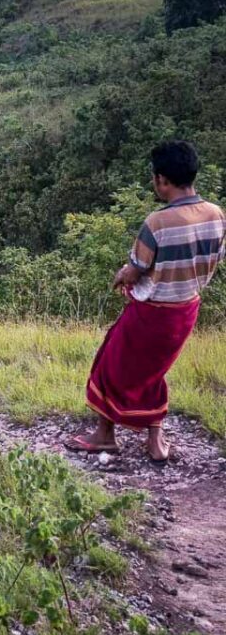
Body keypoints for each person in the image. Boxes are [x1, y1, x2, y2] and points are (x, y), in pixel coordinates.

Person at [66, 140, 225, 463]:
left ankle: (105, 436)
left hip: (153, 312)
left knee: (109, 366)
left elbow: (138, 269)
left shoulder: (158, 222)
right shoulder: (215, 215)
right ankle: (155, 439)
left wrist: (121, 275)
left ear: (162, 180)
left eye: (155, 177)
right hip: (187, 309)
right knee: (153, 370)